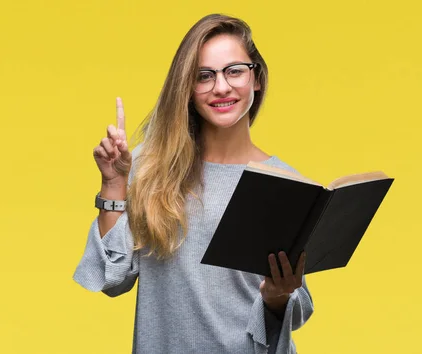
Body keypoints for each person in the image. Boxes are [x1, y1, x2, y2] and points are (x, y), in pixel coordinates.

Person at [73, 13, 314, 354]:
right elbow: (112, 279)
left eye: (234, 71)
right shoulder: (150, 166)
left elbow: (296, 308)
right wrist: (114, 183)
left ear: (256, 78)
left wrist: (277, 297)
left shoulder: (284, 183)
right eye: (204, 76)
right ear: (187, 88)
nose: (221, 86)